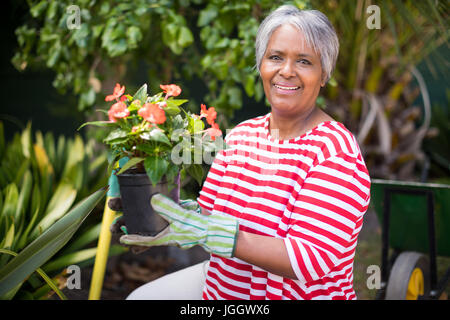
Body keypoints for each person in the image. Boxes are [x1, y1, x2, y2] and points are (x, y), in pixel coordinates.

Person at [111, 5, 371, 300]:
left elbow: (308, 259)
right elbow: (208, 214)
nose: (286, 71)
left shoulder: (335, 154)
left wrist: (219, 235)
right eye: (275, 57)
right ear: (261, 64)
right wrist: (162, 218)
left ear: (323, 74)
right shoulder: (241, 136)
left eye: (304, 61)